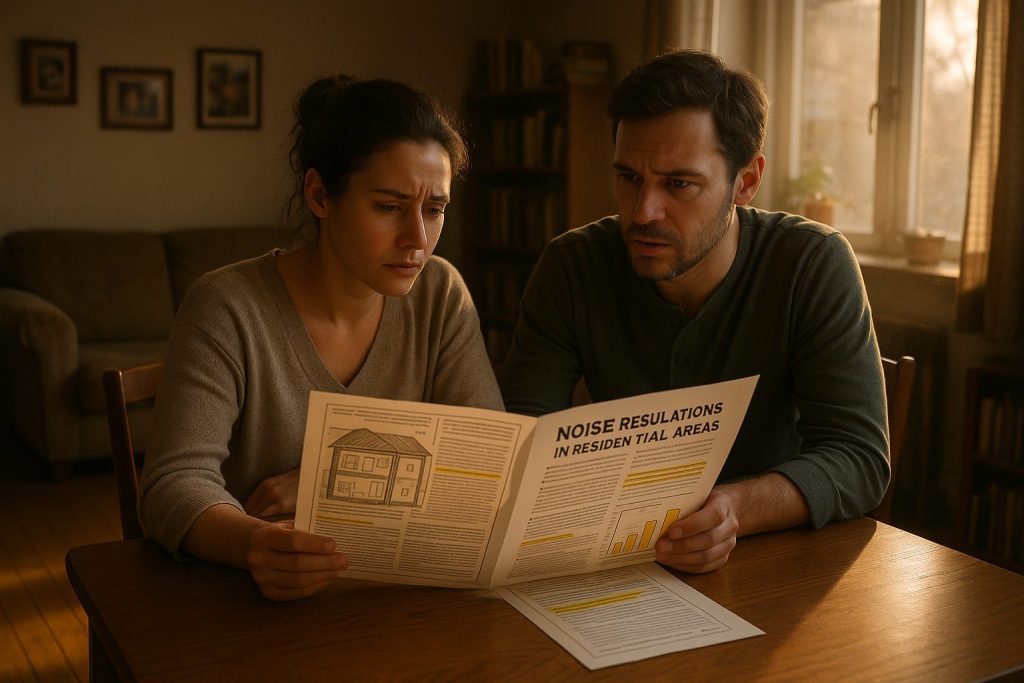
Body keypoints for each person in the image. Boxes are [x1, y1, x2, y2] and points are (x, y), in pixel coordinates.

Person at [501, 50, 888, 574]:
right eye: (628, 177)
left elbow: (859, 459)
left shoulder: (811, 263)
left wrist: (733, 510)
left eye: (678, 184)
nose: (642, 212)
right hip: (616, 563)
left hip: (776, 567)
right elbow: (525, 442)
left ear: (746, 182)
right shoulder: (571, 266)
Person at [139, 75, 503, 600]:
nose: (418, 241)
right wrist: (255, 545)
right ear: (319, 195)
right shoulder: (227, 306)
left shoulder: (441, 294)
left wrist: (327, 483)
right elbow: (172, 484)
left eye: (435, 209)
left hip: (396, 599)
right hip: (251, 604)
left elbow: (484, 460)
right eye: (389, 207)